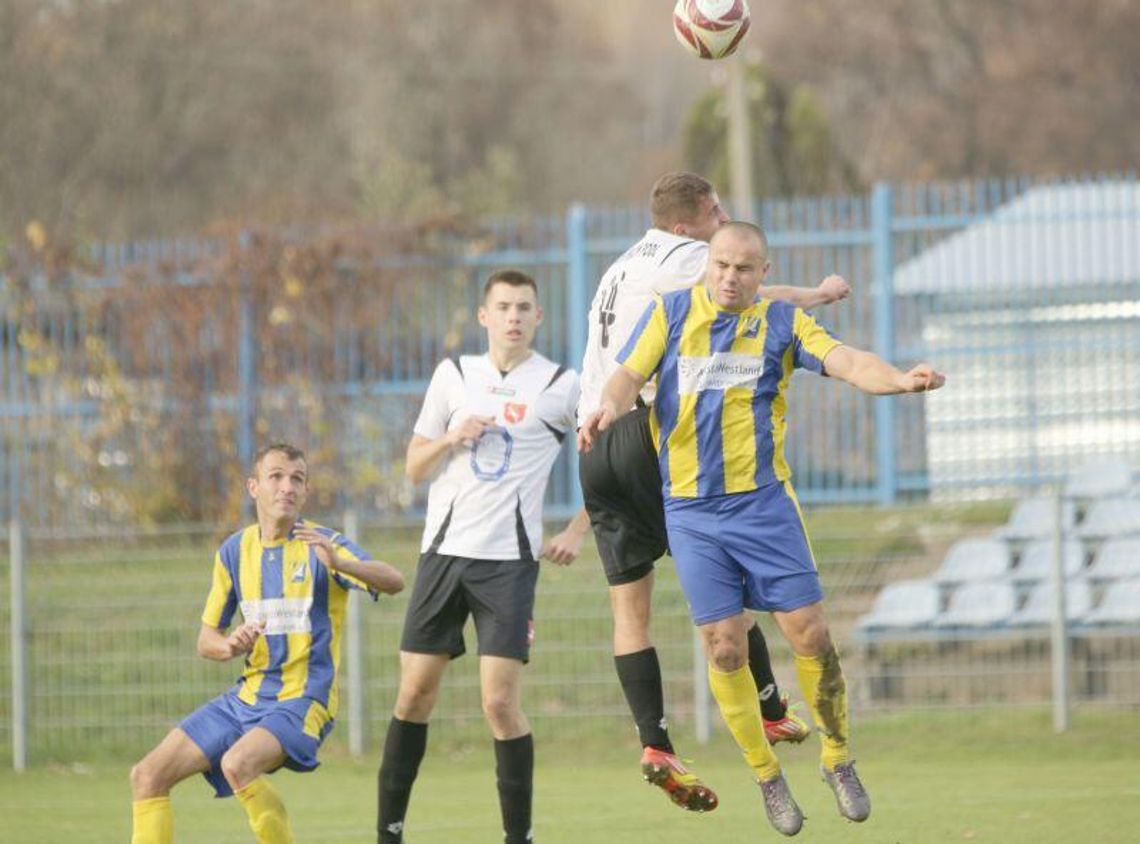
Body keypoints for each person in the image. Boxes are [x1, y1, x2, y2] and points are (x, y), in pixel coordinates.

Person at [579, 221, 944, 836]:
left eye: (743, 268)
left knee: (811, 634)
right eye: (720, 264)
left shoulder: (781, 323)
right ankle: (767, 776)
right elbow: (623, 375)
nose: (729, 276)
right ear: (708, 265)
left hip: (764, 506)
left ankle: (837, 758)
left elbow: (847, 360)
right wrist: (609, 405)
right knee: (723, 645)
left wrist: (899, 380)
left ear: (762, 273)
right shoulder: (670, 314)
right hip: (692, 512)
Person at [577, 171, 851, 812]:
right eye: (716, 212)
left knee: (630, 612)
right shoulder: (685, 261)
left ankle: (654, 741)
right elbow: (750, 296)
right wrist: (817, 293)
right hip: (642, 425)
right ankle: (774, 709)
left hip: (593, 445)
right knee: (721, 567)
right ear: (687, 225)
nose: (724, 219)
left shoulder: (621, 265)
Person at [377, 269, 583, 844]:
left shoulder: (561, 384)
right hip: (443, 556)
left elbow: (606, 460)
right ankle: (388, 834)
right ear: (483, 317)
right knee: (414, 694)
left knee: (498, 703)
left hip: (509, 565)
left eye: (524, 307)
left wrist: (578, 529)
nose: (514, 316)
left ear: (539, 318)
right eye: (504, 307)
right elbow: (414, 468)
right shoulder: (454, 376)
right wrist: (450, 437)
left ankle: (519, 837)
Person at [129, 443, 405, 844]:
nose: (287, 487)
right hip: (246, 698)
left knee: (237, 762)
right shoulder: (234, 551)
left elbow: (394, 580)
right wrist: (228, 646)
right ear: (253, 487)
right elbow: (206, 640)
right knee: (147, 775)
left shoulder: (322, 544)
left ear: (305, 491)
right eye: (276, 476)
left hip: (305, 700)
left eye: (297, 479)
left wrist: (342, 564)